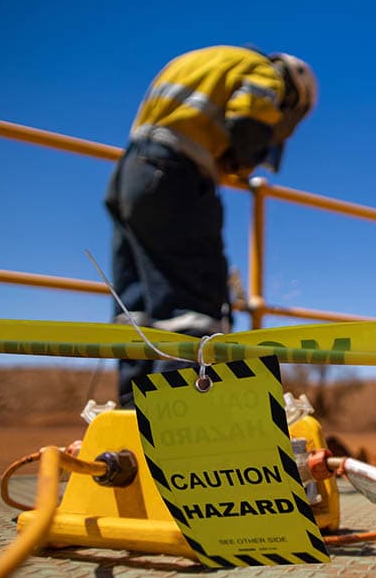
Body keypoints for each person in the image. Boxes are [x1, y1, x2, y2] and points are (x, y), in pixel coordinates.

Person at [104, 45, 318, 406]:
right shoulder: (263, 73)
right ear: (295, 95)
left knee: (135, 311)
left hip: (131, 175)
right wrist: (244, 158)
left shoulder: (211, 62)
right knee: (193, 309)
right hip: (175, 175)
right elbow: (249, 123)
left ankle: (130, 414)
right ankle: (181, 415)